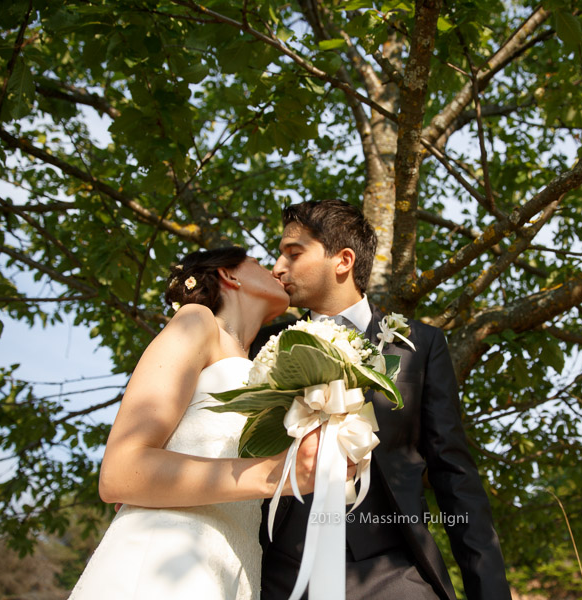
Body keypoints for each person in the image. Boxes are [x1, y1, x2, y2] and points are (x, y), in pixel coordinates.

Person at [255, 200, 511, 600]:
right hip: (280, 573)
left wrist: (490, 593)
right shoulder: (262, 346)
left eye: (293, 252)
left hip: (394, 574)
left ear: (343, 260)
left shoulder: (420, 346)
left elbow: (453, 474)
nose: (277, 267)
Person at [70, 246, 347, 600]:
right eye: (261, 264)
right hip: (168, 560)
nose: (278, 270)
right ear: (229, 275)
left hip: (235, 568)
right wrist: (277, 475)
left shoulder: (270, 366)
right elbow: (120, 471)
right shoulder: (196, 321)